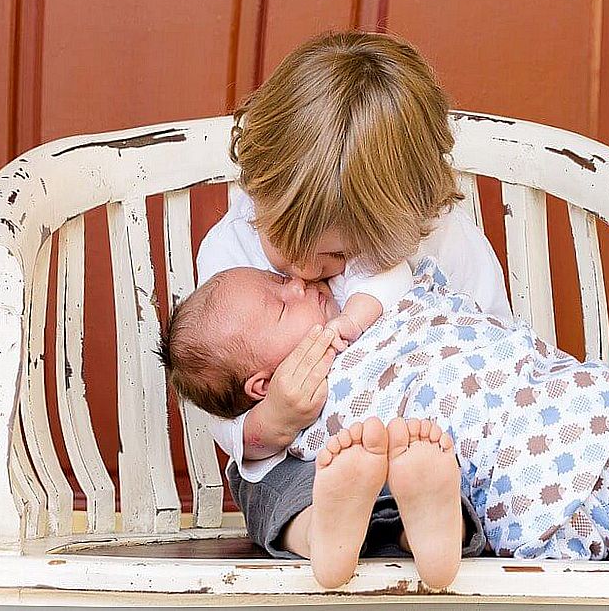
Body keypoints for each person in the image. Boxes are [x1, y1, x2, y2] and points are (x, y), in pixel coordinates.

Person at [190, 30, 511, 588]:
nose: (310, 273)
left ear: (409, 218)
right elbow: (224, 395)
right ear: (257, 188)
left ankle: (432, 528)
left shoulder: (446, 243)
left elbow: (493, 358)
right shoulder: (230, 250)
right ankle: (323, 531)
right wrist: (274, 421)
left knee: (454, 479)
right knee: (265, 482)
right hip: (315, 462)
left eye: (341, 253)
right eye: (286, 248)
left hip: (428, 448)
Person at [160, 260, 609, 586]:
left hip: (481, 407)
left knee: (410, 450)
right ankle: (382, 527)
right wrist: (274, 419)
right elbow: (234, 434)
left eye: (279, 280)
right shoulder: (230, 262)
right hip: (376, 447)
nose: (296, 282)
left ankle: (429, 523)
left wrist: (352, 321)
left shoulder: (354, 285)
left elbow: (407, 288)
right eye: (281, 302)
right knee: (315, 465)